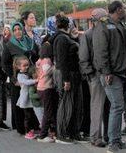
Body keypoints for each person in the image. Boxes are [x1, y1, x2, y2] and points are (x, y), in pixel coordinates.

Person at [92, 1, 126, 152]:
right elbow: (101, 50)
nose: (125, 11)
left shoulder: (119, 25)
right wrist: (106, 71)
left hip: (121, 73)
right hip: (111, 74)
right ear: (119, 9)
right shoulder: (103, 25)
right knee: (117, 106)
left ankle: (116, 139)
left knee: (118, 107)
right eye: (124, 8)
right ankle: (113, 143)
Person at [2, 20, 39, 135]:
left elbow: (37, 56)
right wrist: (13, 79)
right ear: (12, 32)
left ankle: (33, 126)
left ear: (23, 30)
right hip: (18, 79)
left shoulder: (30, 42)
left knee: (31, 101)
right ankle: (21, 128)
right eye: (15, 30)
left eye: (19, 29)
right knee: (18, 103)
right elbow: (5, 63)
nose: (17, 32)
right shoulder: (9, 45)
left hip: (31, 77)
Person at [79, 8, 109, 148]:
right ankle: (95, 136)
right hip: (96, 76)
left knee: (108, 107)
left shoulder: (106, 32)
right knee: (97, 106)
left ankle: (107, 135)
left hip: (106, 75)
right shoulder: (88, 35)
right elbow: (83, 57)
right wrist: (90, 74)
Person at [52, 13, 84, 144]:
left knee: (74, 105)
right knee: (66, 105)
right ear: (68, 25)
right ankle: (62, 134)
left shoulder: (65, 38)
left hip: (72, 75)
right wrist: (66, 80)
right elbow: (62, 61)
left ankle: (72, 132)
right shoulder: (61, 39)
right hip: (68, 75)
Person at [36, 41, 57, 143]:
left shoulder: (40, 60)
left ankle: (52, 131)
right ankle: (42, 135)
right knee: (48, 112)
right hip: (46, 88)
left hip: (41, 88)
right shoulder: (47, 61)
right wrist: (55, 66)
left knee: (48, 111)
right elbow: (48, 71)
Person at [15, 56, 40, 139]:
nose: (27, 67)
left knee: (32, 115)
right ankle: (28, 132)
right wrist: (35, 81)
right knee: (27, 116)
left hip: (30, 98)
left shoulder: (28, 73)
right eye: (24, 65)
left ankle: (34, 129)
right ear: (18, 67)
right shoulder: (20, 75)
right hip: (25, 99)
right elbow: (25, 82)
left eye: (28, 65)